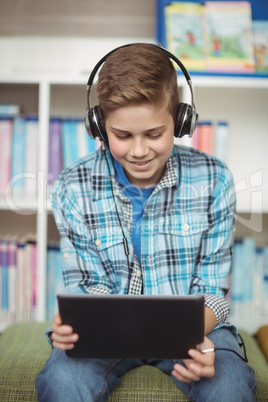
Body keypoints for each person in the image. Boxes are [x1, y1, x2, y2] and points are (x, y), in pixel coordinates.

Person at [36, 43, 256, 401]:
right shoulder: (73, 186)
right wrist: (75, 323)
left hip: (195, 326)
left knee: (228, 384)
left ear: (181, 122)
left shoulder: (214, 179)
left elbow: (213, 289)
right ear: (99, 126)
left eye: (154, 134)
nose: (139, 151)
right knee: (62, 380)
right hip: (106, 332)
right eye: (122, 136)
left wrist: (190, 336)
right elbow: (86, 285)